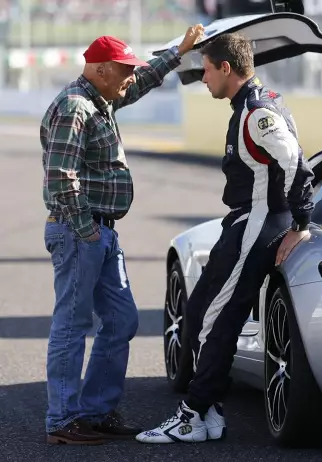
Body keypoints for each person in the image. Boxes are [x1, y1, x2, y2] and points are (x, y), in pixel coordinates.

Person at [136, 32, 315, 444]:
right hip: (244, 223)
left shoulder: (257, 112)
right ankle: (210, 411)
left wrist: (299, 223)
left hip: (258, 223)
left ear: (227, 69)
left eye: (207, 70)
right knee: (199, 312)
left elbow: (295, 163)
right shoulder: (251, 104)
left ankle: (193, 415)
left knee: (215, 320)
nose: (202, 79)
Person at [42, 25, 206, 445]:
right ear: (100, 70)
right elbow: (61, 178)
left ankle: (95, 412)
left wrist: (178, 51)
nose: (131, 76)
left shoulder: (102, 99)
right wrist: (87, 233)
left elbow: (146, 78)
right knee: (72, 325)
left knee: (121, 320)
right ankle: (62, 421)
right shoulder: (76, 107)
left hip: (100, 231)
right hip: (82, 230)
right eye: (124, 69)